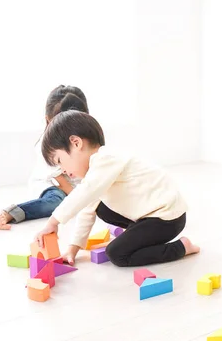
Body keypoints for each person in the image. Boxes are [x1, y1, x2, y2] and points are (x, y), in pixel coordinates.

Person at [34, 110, 200, 266]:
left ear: (76, 143)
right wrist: (73, 249)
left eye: (59, 161)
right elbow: (87, 209)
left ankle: (182, 247)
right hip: (149, 215)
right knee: (99, 207)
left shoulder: (105, 159)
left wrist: (53, 221)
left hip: (167, 219)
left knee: (117, 254)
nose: (62, 169)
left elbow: (85, 192)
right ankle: (136, 234)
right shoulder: (96, 173)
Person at [0, 85, 87, 230]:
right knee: (56, 201)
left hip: (79, 186)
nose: (67, 130)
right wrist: (83, 200)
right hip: (52, 186)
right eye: (61, 124)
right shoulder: (46, 145)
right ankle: (8, 213)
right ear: (48, 120)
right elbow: (62, 182)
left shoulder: (86, 139)